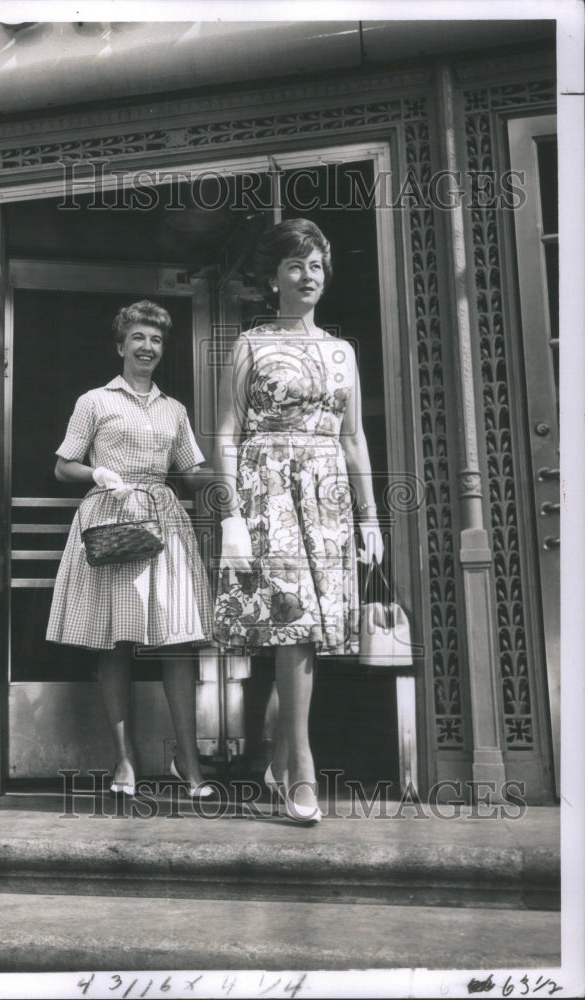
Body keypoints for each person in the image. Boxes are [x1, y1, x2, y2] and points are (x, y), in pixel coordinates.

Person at [212, 218, 384, 824]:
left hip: (328, 493)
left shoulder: (341, 352)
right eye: (296, 265)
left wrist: (370, 517)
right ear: (273, 276)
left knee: (311, 628)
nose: (308, 276)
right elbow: (228, 431)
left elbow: (355, 436)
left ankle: (278, 758)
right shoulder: (252, 344)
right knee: (291, 621)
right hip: (269, 490)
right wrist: (231, 514)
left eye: (316, 265)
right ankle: (303, 770)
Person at [46, 300, 214, 800]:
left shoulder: (174, 410)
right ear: (121, 345)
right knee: (116, 639)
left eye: (157, 340)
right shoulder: (94, 401)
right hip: (111, 519)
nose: (148, 347)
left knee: (178, 640)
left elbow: (192, 471)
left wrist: (233, 475)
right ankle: (124, 760)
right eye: (139, 337)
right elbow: (63, 465)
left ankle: (190, 762)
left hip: (163, 521)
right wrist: (97, 473)